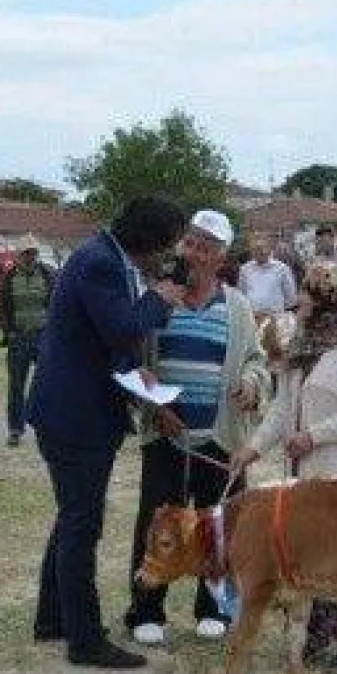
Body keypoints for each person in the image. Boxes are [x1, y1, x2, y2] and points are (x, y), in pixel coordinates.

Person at [27, 196, 189, 669]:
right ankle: (84, 640)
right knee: (82, 524)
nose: (166, 259)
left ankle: (53, 618)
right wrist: (160, 297)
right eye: (166, 248)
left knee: (71, 517)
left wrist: (141, 380)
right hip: (76, 417)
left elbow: (107, 344)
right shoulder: (101, 263)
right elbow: (122, 329)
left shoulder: (102, 256)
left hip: (73, 410)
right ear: (148, 243)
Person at [124, 209, 268, 646]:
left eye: (207, 246)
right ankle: (146, 609)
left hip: (219, 437)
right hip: (166, 433)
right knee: (158, 523)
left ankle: (214, 607)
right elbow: (135, 362)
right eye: (191, 242)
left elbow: (256, 361)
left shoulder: (238, 306)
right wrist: (153, 407)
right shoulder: (157, 297)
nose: (195, 252)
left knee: (220, 527)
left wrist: (249, 383)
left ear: (220, 257)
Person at [229, 259, 337, 672]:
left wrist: (314, 435)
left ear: (331, 299)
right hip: (303, 476)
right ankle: (312, 637)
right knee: (306, 554)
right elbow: (281, 409)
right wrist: (252, 449)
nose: (300, 301)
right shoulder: (302, 345)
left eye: (308, 294)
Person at [0, 234, 54, 447]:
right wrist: (9, 331)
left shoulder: (48, 274)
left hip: (43, 337)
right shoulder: (9, 277)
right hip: (18, 338)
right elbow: (1, 308)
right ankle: (15, 429)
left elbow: (57, 304)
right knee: (16, 387)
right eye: (26, 253)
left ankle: (47, 425)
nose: (31, 256)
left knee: (47, 382)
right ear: (19, 255)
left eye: (34, 252)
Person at [236, 231, 296, 319]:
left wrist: (277, 313)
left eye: (262, 249)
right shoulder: (245, 269)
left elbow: (290, 297)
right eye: (255, 250)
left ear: (269, 249)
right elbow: (241, 294)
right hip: (251, 317)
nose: (260, 252)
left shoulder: (282, 269)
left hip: (274, 318)